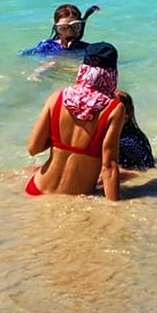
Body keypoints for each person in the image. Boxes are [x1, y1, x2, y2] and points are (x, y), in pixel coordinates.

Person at [26, 41, 129, 199]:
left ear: (83, 69)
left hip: (36, 189)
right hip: (74, 199)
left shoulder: (57, 98)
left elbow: (33, 149)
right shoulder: (114, 109)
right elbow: (109, 166)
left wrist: (58, 142)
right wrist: (115, 210)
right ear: (113, 72)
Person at [22, 3, 97, 56]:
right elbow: (25, 54)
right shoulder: (47, 46)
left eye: (75, 27)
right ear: (56, 27)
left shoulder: (86, 49)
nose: (69, 32)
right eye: (63, 28)